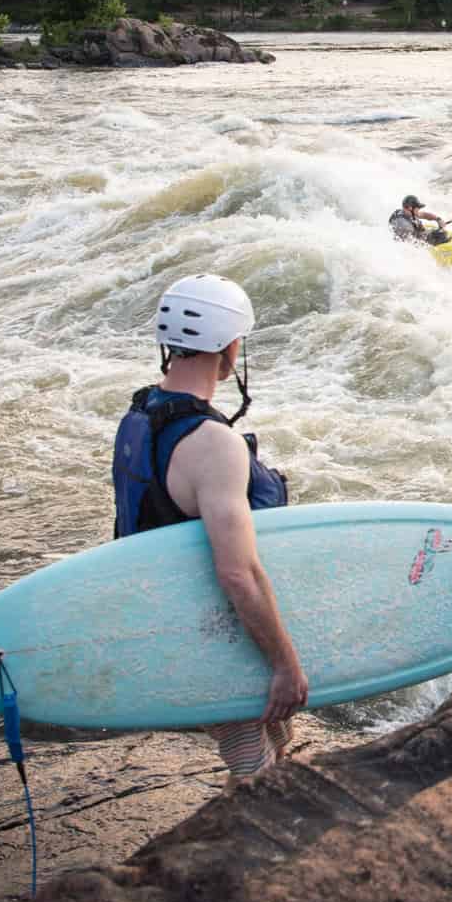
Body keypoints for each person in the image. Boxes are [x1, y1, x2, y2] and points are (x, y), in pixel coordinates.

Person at [112, 273, 309, 780]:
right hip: (208, 637)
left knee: (280, 736)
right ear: (230, 348)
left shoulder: (138, 415)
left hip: (158, 619)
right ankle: (255, 854)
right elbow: (238, 574)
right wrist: (287, 665)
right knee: (255, 767)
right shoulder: (212, 444)